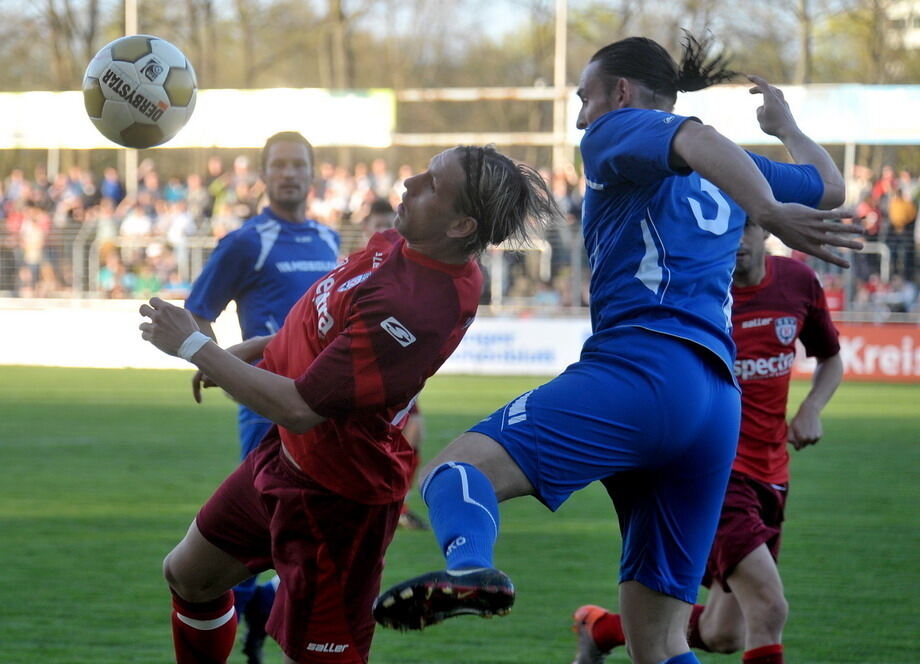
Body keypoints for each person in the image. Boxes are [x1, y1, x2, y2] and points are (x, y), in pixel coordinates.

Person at [372, 34, 860, 664]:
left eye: (584, 98)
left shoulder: (615, 133)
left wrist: (765, 207)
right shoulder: (732, 167)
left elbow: (691, 136)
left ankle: (471, 570)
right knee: (656, 642)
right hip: (715, 402)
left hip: (642, 370)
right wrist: (787, 129)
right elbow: (829, 185)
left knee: (452, 474)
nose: (580, 116)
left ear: (621, 93)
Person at [138, 144, 560, 664]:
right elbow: (324, 314)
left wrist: (193, 345)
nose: (409, 183)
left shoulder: (416, 308)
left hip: (338, 497)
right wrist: (252, 351)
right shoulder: (400, 244)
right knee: (188, 575)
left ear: (460, 226)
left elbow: (299, 406)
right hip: (289, 455)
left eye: (432, 185)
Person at [571, 217, 844, 664]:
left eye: (744, 230)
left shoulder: (798, 282)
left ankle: (601, 628)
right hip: (713, 472)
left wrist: (811, 407)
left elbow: (831, 359)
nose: (734, 243)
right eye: (723, 232)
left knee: (723, 633)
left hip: (772, 475)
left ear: (764, 231)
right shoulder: (693, 292)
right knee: (770, 606)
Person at [183, 131, 340, 664]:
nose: (290, 173)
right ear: (266, 175)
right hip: (267, 409)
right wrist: (225, 370)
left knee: (308, 536)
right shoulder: (248, 240)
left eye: (300, 164)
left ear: (313, 173)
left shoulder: (328, 238)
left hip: (326, 410)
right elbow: (197, 310)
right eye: (280, 165)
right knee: (265, 531)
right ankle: (251, 618)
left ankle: (264, 617)